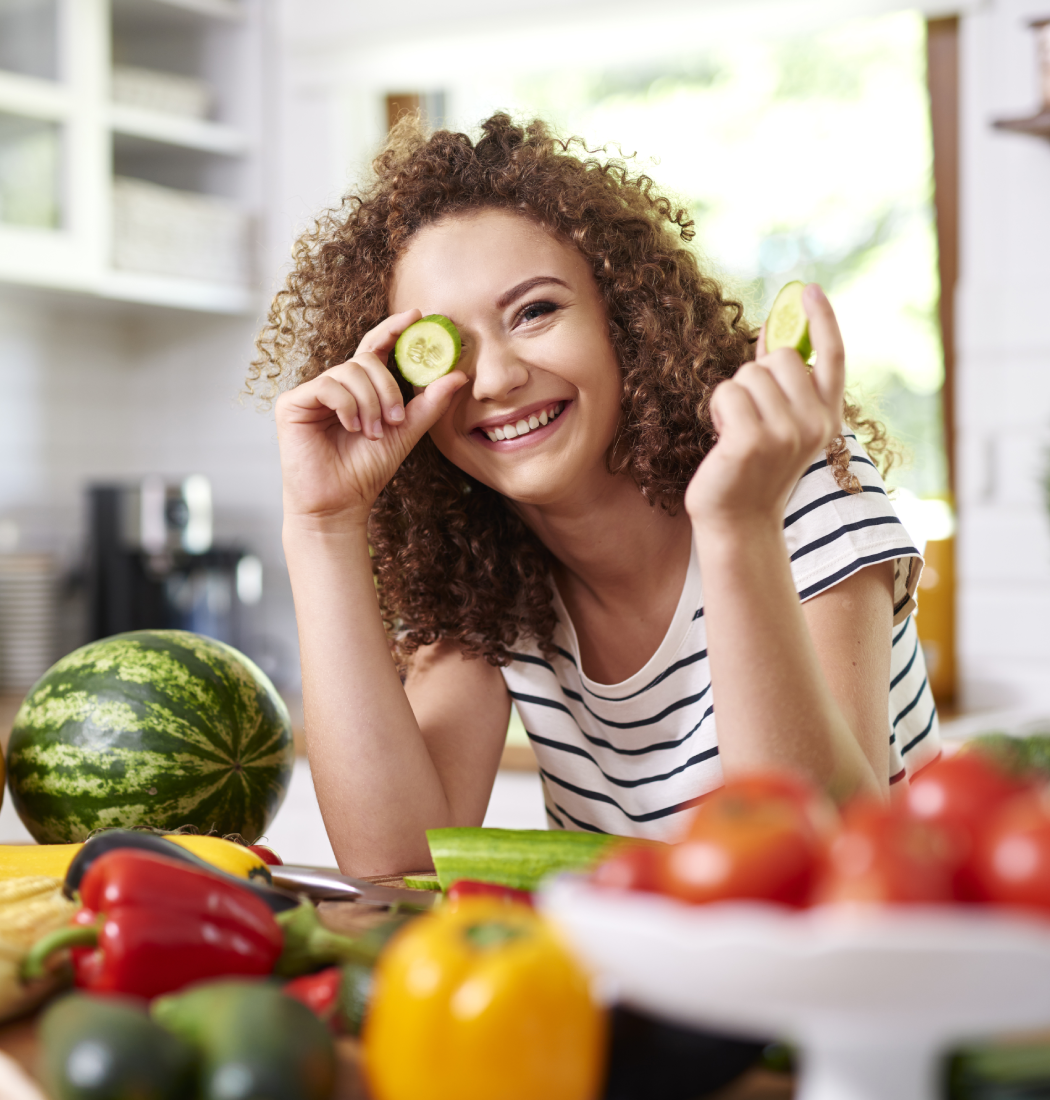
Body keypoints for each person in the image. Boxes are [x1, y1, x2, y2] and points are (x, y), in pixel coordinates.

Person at [250, 113, 940, 877]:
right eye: (449, 346)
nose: (497, 379)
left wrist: (737, 526)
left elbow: (819, 856)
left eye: (536, 312)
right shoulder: (488, 576)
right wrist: (322, 527)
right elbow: (395, 863)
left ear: (625, 318)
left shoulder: (792, 488)